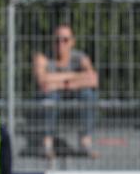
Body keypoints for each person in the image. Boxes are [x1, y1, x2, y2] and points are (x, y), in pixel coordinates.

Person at [33, 24, 99, 159]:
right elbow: (42, 81)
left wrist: (56, 82)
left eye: (65, 40)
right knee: (49, 97)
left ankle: (85, 142)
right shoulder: (42, 57)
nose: (60, 44)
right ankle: (47, 144)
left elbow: (93, 79)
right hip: (53, 96)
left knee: (88, 94)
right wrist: (74, 78)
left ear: (72, 42)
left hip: (74, 94)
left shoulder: (80, 57)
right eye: (57, 40)